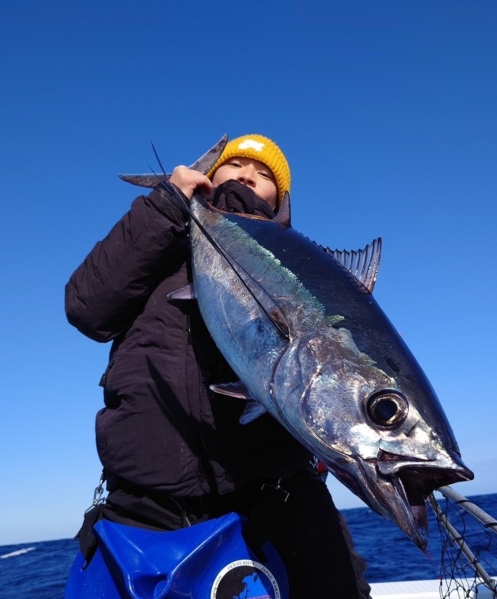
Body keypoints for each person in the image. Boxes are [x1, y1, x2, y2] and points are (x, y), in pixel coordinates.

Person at [65, 134, 371, 598]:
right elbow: (87, 308)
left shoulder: (302, 271)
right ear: (209, 175)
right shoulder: (159, 251)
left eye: (265, 174)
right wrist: (166, 206)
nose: (248, 175)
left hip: (276, 494)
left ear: (280, 200)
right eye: (236, 166)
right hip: (146, 505)